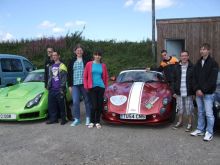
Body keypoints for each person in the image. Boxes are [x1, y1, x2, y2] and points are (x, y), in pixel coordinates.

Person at [190, 43, 219, 141]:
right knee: (201, 112)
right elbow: (194, 78)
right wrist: (197, 89)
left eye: (204, 49)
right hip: (198, 93)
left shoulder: (213, 63)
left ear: (209, 50)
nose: (202, 51)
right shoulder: (198, 63)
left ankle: (209, 132)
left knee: (209, 114)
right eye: (201, 49)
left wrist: (203, 90)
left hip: (208, 94)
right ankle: (200, 129)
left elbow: (212, 80)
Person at [67, 44, 91, 126]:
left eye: (80, 50)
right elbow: (69, 74)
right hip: (75, 85)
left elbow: (90, 73)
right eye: (77, 50)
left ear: (83, 51)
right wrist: (70, 86)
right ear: (75, 51)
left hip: (85, 84)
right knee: (75, 102)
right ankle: (77, 119)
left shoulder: (87, 60)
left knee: (87, 101)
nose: (79, 51)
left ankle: (88, 117)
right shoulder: (71, 61)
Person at [84, 50, 108, 129]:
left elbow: (106, 77)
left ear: (100, 56)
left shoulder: (103, 65)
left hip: (101, 87)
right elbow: (85, 76)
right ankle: (91, 121)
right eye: (96, 55)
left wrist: (105, 86)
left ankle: (97, 122)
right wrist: (86, 86)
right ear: (94, 56)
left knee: (99, 105)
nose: (97, 56)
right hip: (92, 87)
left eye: (99, 55)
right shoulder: (89, 64)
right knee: (93, 105)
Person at [171, 51, 194, 132]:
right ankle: (180, 122)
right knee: (180, 109)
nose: (184, 57)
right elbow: (173, 80)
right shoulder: (176, 67)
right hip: (179, 92)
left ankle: (190, 124)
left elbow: (194, 80)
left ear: (188, 57)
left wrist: (193, 92)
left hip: (189, 92)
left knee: (189, 109)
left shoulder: (192, 67)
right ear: (180, 57)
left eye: (185, 56)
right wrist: (173, 92)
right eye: (182, 56)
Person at [46, 51, 68, 125]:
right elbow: (50, 77)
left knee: (62, 105)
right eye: (53, 55)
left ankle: (64, 119)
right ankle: (53, 119)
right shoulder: (51, 66)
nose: (54, 56)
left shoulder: (62, 66)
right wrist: (48, 86)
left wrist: (62, 88)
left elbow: (64, 79)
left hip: (60, 89)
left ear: (59, 56)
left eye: (55, 55)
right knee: (52, 105)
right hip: (52, 89)